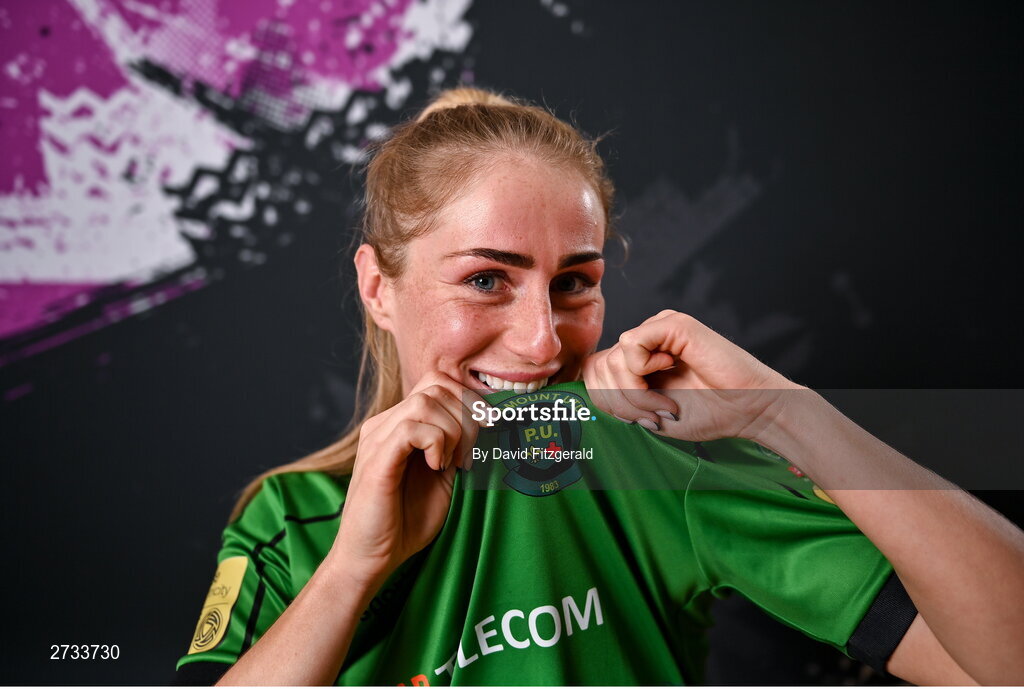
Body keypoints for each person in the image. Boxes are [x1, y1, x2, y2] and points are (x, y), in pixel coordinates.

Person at [175, 87, 1024, 686]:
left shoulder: (648, 455)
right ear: (377, 286)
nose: (544, 339)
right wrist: (353, 570)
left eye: (574, 282)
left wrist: (780, 412)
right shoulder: (290, 518)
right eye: (485, 280)